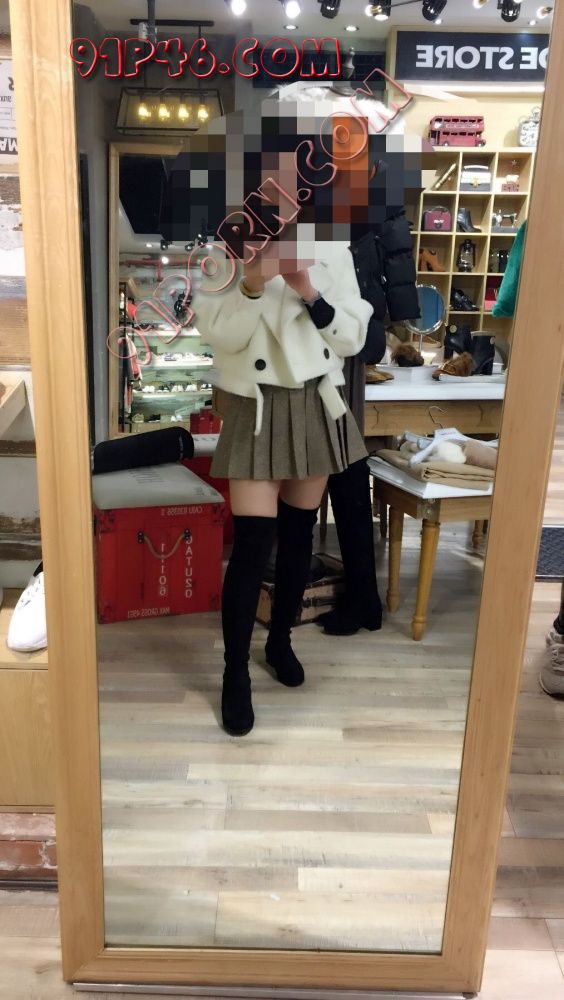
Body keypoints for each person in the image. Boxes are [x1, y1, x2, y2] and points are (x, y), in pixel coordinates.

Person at [194, 244, 373, 736]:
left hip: (315, 400)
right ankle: (234, 674)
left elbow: (352, 338)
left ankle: (279, 642)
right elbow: (216, 334)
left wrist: (308, 291)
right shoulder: (225, 250)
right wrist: (252, 284)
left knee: (298, 535)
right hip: (253, 404)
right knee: (252, 545)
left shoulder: (332, 249)